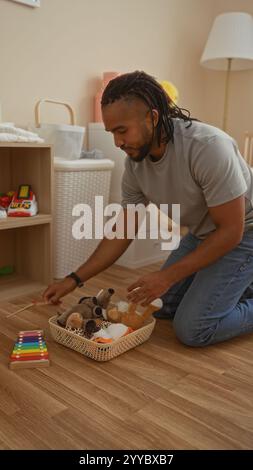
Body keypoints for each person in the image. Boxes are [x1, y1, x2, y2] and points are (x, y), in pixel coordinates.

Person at [43, 70, 253, 347]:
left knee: (193, 329)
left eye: (122, 131)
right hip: (204, 233)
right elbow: (123, 230)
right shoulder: (135, 167)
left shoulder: (208, 147)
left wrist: (166, 276)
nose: (117, 142)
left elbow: (231, 231)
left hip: (244, 232)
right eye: (112, 132)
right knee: (159, 305)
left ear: (152, 118)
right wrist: (74, 278)